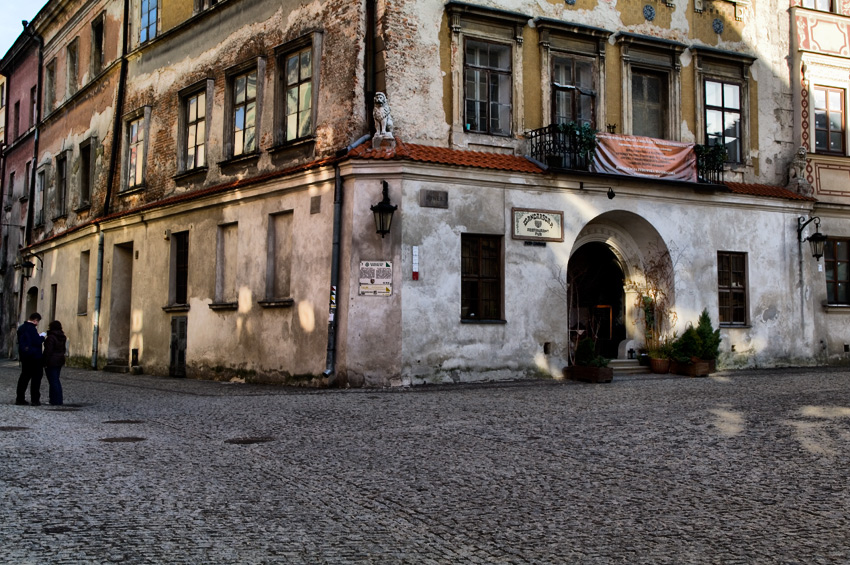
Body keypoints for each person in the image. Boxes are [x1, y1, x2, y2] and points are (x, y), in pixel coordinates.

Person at [16, 312, 45, 406]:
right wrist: (42, 337)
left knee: (24, 378)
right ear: (35, 320)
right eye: (38, 322)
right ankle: (35, 399)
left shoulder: (21, 328)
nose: (37, 323)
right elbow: (36, 341)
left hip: (25, 356)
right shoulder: (31, 328)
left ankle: (20, 398)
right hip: (35, 357)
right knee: (36, 378)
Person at [43, 320, 67, 406]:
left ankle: (55, 400)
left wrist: (44, 361)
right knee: (56, 380)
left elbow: (48, 351)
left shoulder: (51, 337)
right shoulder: (62, 336)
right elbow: (63, 349)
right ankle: (57, 399)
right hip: (59, 360)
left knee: (53, 381)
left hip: (52, 361)